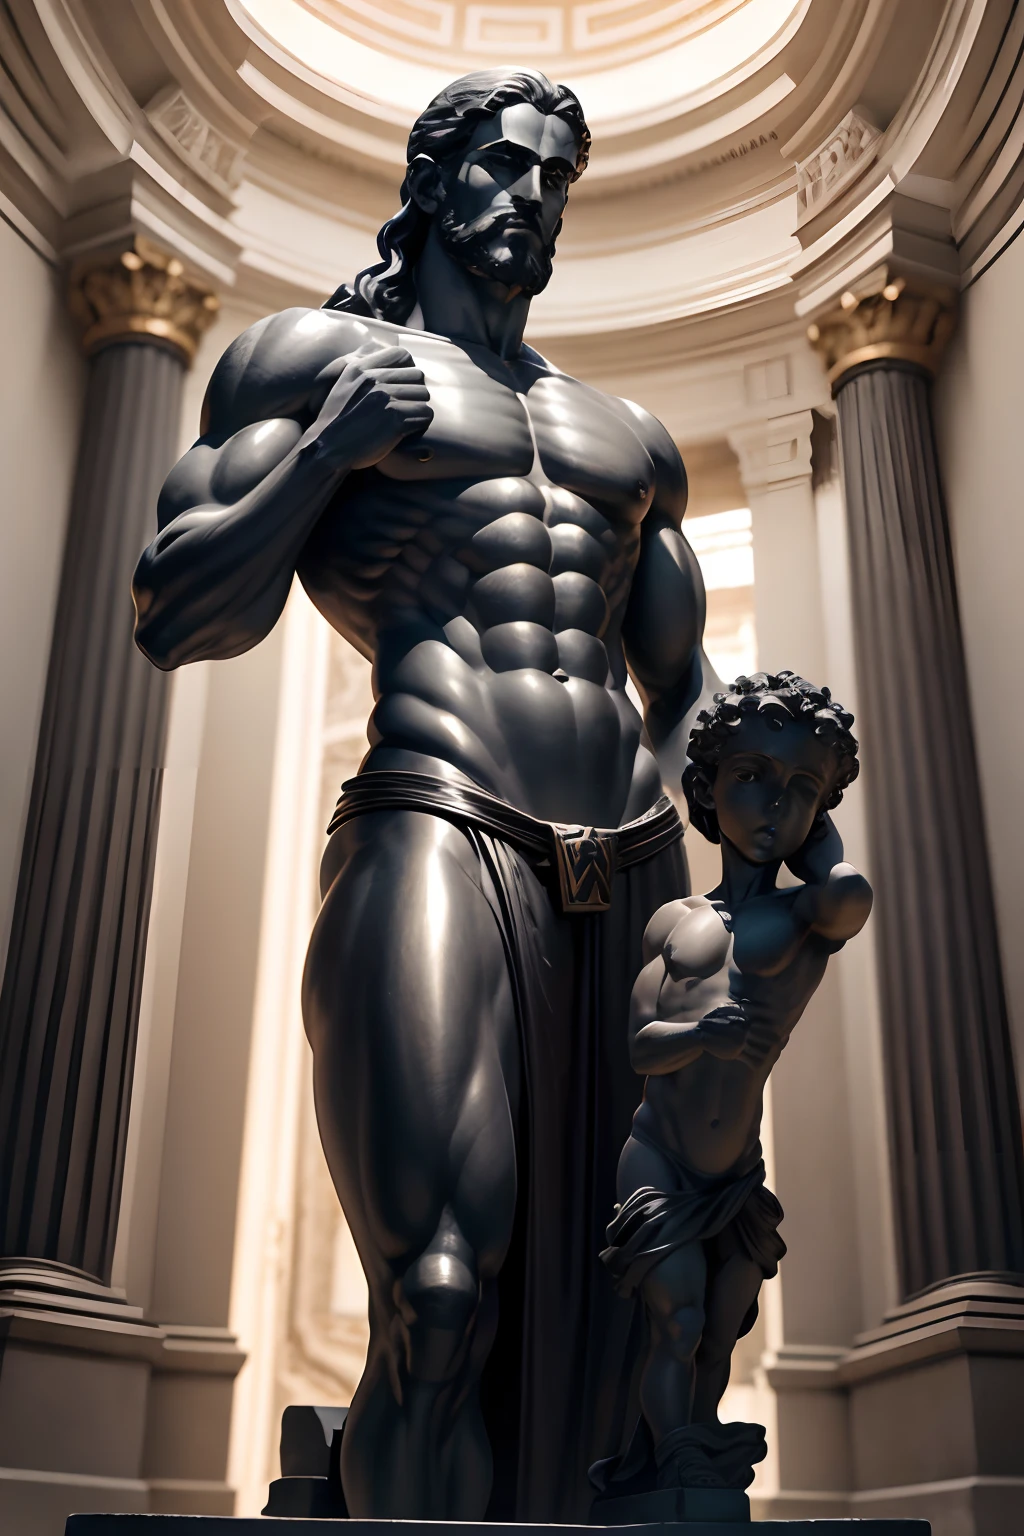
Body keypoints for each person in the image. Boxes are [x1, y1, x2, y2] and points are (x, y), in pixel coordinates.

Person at [131, 68, 716, 1521]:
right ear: (437, 180)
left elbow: (684, 689)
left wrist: (751, 868)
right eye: (506, 166)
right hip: (440, 819)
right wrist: (330, 448)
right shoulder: (306, 360)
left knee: (646, 1307)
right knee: (442, 1294)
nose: (532, 197)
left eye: (556, 179)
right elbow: (173, 610)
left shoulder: (623, 435)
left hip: (633, 865)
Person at [596, 671, 872, 1494]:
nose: (774, 809)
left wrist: (819, 831)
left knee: (719, 1336)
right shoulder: (673, 922)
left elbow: (848, 893)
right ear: (708, 786)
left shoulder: (802, 921)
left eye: (799, 792)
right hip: (658, 1156)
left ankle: (685, 1452)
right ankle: (677, 1455)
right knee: (676, 1321)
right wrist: (701, 1033)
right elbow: (642, 1050)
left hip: (734, 1174)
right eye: (752, 778)